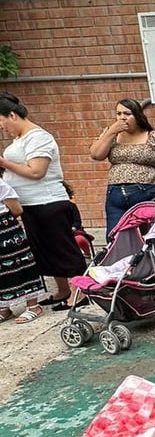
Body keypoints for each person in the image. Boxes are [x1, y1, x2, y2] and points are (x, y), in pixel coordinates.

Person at [0, 92, 86, 310]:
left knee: (62, 248)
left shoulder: (39, 137)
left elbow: (37, 171)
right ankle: (62, 290)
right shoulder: (19, 139)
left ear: (12, 115)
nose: (3, 128)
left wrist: (3, 162)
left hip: (48, 202)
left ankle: (79, 292)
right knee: (45, 250)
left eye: (2, 122)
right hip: (30, 204)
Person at [89, 98, 155, 235]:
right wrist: (111, 132)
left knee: (152, 237)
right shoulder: (111, 135)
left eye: (127, 114)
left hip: (147, 191)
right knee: (116, 237)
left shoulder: (152, 135)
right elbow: (96, 155)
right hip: (116, 193)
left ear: (137, 115)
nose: (122, 118)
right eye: (119, 114)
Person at [0, 173, 45, 323]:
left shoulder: (2, 185)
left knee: (20, 264)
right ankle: (4, 308)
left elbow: (17, 209)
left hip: (7, 232)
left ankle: (33, 306)